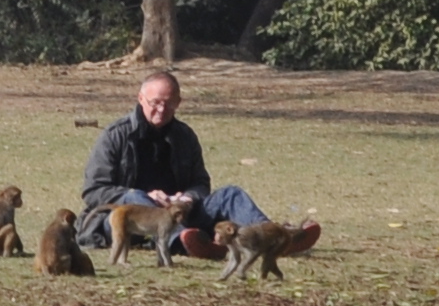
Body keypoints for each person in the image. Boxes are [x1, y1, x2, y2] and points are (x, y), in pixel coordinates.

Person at [79, 68, 315, 255]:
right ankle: (185, 241)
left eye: (169, 103)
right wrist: (143, 195)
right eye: (155, 103)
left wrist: (189, 197)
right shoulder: (115, 135)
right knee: (134, 197)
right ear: (141, 99)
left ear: (178, 103)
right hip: (132, 220)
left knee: (231, 194)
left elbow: (201, 183)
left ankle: (272, 236)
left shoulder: (185, 136)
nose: (161, 109)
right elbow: (94, 191)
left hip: (180, 211)